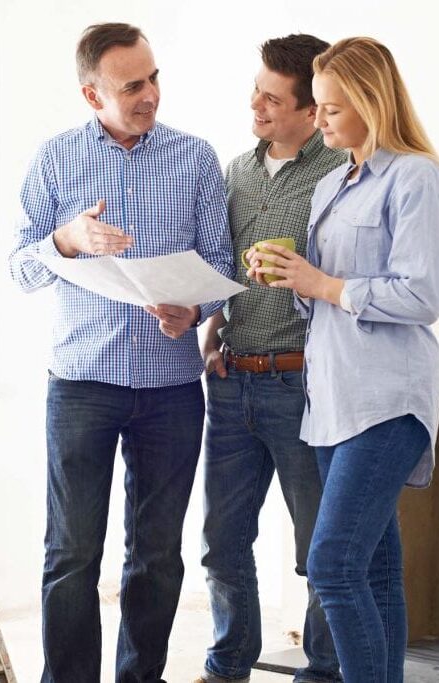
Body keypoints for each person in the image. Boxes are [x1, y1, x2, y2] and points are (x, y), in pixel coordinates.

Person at [9, 22, 234, 683]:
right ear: (91, 93)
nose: (150, 94)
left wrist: (192, 309)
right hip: (81, 382)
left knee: (158, 555)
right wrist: (68, 240)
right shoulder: (55, 160)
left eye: (154, 77)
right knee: (72, 552)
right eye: (132, 85)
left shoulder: (195, 158)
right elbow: (20, 267)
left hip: (170, 388)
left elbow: (219, 261)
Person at [246, 36, 439, 683]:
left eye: (330, 109)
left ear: (367, 101)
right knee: (376, 567)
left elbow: (421, 293)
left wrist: (322, 284)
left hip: (387, 399)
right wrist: (287, 277)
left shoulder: (414, 176)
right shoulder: (330, 183)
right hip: (329, 399)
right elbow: (322, 294)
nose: (320, 121)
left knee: (330, 563)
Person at [195, 35, 344, 683]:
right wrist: (211, 320)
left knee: (319, 549)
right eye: (254, 89)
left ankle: (323, 670)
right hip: (232, 381)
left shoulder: (340, 172)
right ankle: (227, 665)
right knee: (222, 543)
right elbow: (222, 262)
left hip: (304, 384)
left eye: (271, 97)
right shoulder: (235, 170)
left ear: (311, 112)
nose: (254, 104)